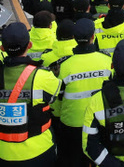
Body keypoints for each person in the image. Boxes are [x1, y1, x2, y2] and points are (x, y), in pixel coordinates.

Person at [0, 22, 62, 165]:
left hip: (3, 153)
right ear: (29, 45)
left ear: (2, 48)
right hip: (40, 151)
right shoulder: (43, 76)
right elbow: (53, 97)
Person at [56, 18, 112, 167]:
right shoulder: (107, 61)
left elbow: (58, 98)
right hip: (101, 120)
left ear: (74, 38)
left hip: (72, 123)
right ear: (93, 36)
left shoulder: (64, 66)